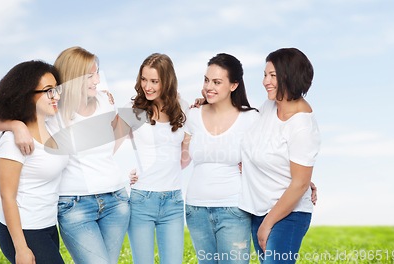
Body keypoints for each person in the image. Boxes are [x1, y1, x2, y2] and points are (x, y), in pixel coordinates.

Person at [0, 47, 130, 264]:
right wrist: (15, 125)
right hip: (47, 219)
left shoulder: (60, 120)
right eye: (90, 75)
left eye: (97, 73)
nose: (97, 80)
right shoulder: (34, 125)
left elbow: (112, 137)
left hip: (59, 221)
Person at [238, 47, 320, 264]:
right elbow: (258, 147)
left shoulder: (301, 123)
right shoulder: (268, 107)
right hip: (259, 209)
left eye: (273, 75)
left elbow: (299, 184)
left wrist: (268, 224)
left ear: (290, 76)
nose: (266, 81)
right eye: (265, 75)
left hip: (286, 215)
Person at [182, 53, 259, 264]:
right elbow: (181, 160)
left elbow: (268, 160)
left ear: (234, 85)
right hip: (196, 209)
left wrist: (305, 182)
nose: (209, 87)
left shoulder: (251, 118)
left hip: (234, 209)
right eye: (207, 80)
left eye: (217, 82)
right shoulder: (193, 115)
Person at [0, 60, 69, 264]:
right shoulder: (12, 140)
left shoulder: (52, 125)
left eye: (57, 89)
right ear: (26, 95)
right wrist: (21, 248)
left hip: (48, 226)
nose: (56, 96)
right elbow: (7, 196)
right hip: (24, 231)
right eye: (48, 91)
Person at [118, 53, 189, 264]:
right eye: (144, 79)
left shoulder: (183, 107)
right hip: (142, 201)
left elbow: (184, 160)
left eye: (154, 81)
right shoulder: (132, 111)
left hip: (174, 201)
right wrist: (125, 174)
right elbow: (106, 149)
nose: (147, 86)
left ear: (166, 82)